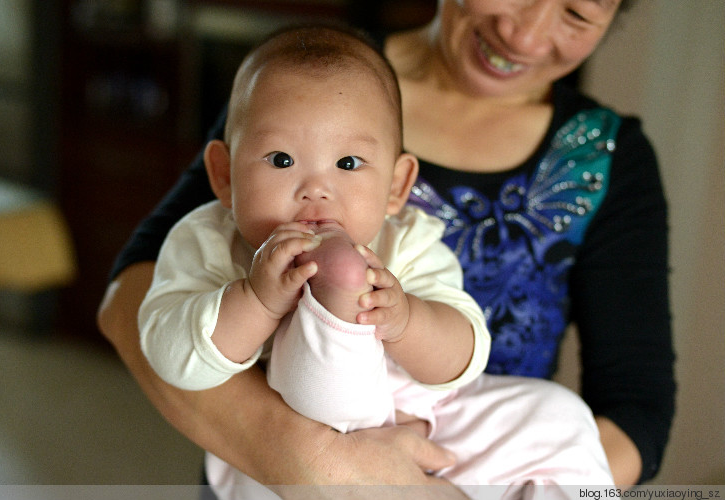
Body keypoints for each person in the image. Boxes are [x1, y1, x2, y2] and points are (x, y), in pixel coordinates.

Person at [97, 0, 675, 492]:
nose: (522, 35)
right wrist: (259, 301)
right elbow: (139, 308)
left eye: (577, 11)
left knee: (560, 416)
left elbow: (625, 407)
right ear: (224, 175)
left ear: (400, 185)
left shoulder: (418, 237)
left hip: (446, 434)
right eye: (281, 162)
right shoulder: (304, 76)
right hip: (287, 450)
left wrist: (408, 319)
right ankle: (337, 301)